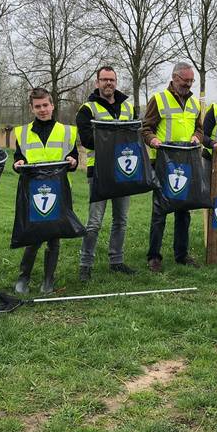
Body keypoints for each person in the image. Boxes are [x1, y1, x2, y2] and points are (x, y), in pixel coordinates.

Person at [13, 88, 79, 294]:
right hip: (32, 191)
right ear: (31, 108)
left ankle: (48, 280)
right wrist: (17, 163)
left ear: (52, 105)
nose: (42, 110)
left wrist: (73, 161)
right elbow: (17, 158)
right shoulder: (21, 133)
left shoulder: (68, 131)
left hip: (58, 190)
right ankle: (23, 277)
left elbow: (73, 158)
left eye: (45, 105)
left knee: (54, 236)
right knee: (33, 237)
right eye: (37, 106)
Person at [76, 66, 137, 283]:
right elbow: (86, 140)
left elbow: (134, 136)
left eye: (111, 79)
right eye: (104, 80)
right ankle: (85, 265)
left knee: (121, 220)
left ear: (116, 81)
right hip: (99, 171)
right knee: (94, 222)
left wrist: (111, 136)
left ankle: (117, 261)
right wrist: (115, 137)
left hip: (124, 170)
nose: (108, 83)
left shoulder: (128, 108)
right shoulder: (87, 109)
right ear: (97, 83)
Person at [141, 61, 204, 272]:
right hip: (162, 163)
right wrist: (153, 141)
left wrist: (197, 136)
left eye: (191, 81)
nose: (188, 85)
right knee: (160, 210)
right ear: (175, 78)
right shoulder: (158, 99)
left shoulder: (195, 103)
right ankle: (154, 256)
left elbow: (200, 128)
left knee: (183, 212)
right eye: (185, 81)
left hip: (186, 163)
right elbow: (146, 128)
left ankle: (181, 254)